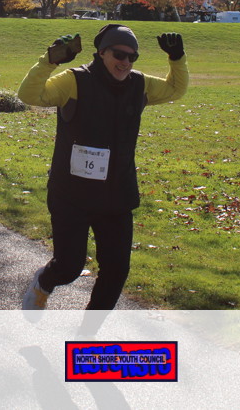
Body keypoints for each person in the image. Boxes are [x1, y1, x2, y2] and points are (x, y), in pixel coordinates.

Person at [17, 24, 188, 310]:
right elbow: (30, 95)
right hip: (71, 194)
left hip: (116, 194)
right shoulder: (74, 80)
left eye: (132, 57)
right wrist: (49, 61)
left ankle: (89, 330)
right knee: (69, 267)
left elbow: (175, 89)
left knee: (116, 271)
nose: (125, 62)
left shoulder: (139, 84)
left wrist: (177, 58)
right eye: (119, 54)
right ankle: (44, 282)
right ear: (101, 53)